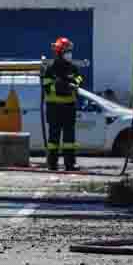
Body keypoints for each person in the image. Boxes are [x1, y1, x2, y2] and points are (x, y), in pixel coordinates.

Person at [41, 37, 82, 171]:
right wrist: (59, 87)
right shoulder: (51, 68)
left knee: (69, 139)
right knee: (54, 138)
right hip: (54, 108)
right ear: (59, 52)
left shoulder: (73, 67)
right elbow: (46, 86)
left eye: (70, 51)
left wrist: (75, 83)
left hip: (69, 107)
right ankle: (52, 164)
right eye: (67, 51)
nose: (69, 54)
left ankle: (70, 164)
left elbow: (79, 79)